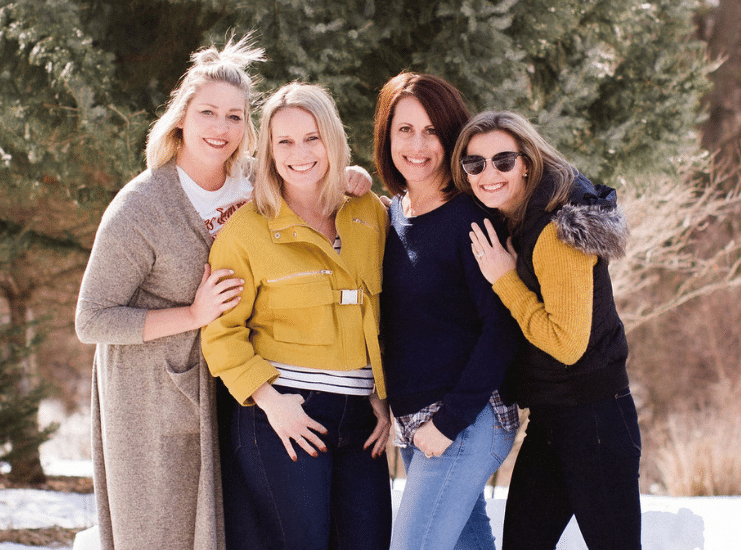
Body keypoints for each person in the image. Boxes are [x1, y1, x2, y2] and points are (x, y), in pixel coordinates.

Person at [75, 36, 372, 550]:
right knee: (163, 537)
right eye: (208, 113)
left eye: (235, 116)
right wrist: (193, 314)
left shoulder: (252, 182)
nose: (221, 128)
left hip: (230, 390)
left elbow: (305, 173)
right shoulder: (140, 208)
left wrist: (351, 175)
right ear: (181, 118)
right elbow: (92, 319)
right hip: (153, 403)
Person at [201, 82, 392, 550]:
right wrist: (270, 401)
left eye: (312, 138)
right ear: (268, 151)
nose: (299, 153)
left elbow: (388, 310)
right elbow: (221, 333)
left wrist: (381, 391)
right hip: (284, 414)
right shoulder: (245, 232)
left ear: (333, 139)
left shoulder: (370, 213)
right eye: (284, 141)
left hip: (362, 419)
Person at [453, 111, 641, 550]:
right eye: (475, 164)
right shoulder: (518, 216)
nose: (488, 174)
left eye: (502, 161)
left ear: (526, 162)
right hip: (551, 419)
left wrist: (505, 280)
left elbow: (566, 344)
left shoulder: (555, 231)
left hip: (595, 420)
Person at [374, 72, 520, 550]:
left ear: (452, 137)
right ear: (387, 136)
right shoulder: (393, 214)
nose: (417, 145)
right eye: (405, 130)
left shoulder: (470, 218)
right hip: (417, 425)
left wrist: (448, 422)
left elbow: (502, 328)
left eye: (432, 131)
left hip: (467, 419)